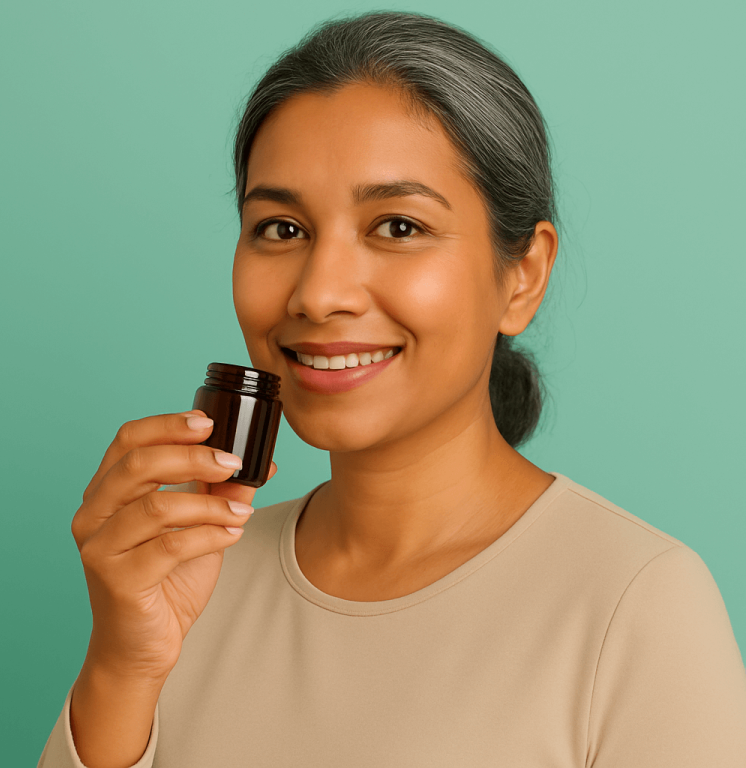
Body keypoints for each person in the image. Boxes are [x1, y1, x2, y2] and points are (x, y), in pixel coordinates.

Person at [38, 10, 746, 768]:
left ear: (524, 275)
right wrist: (121, 669)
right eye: (281, 228)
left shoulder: (636, 604)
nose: (319, 293)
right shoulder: (184, 586)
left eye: (398, 227)